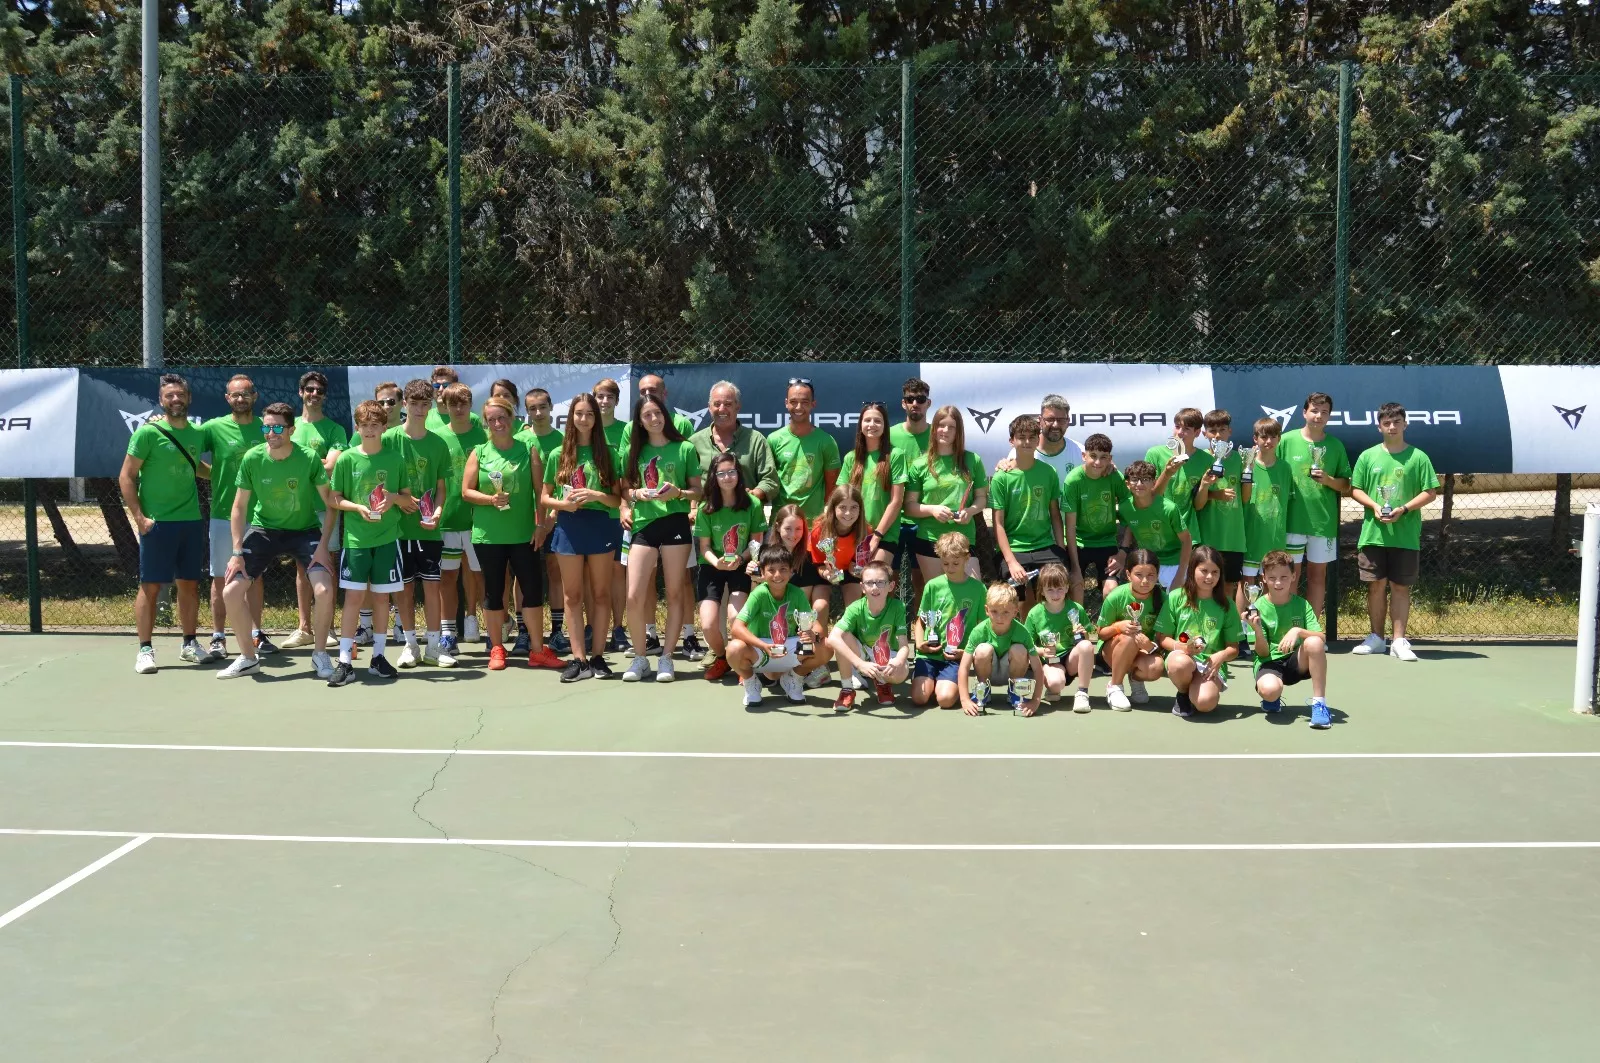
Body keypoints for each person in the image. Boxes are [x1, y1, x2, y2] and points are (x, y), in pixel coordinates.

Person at [216, 403, 338, 679]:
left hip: (305, 531)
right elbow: (238, 507)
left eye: (277, 427)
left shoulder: (308, 458)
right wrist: (236, 551)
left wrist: (322, 547)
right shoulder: (252, 458)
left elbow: (331, 504)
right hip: (264, 530)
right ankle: (248, 657)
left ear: (291, 429)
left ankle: (320, 655)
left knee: (324, 590)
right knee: (231, 592)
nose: (271, 432)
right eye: (266, 427)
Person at [461, 397, 564, 672]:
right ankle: (497, 649)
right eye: (492, 419)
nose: (498, 423)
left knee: (531, 591)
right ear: (486, 423)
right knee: (494, 593)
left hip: (524, 535)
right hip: (488, 536)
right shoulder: (479, 452)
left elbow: (541, 493)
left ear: (513, 418)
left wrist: (540, 526)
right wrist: (489, 500)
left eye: (502, 417)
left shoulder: (528, 449)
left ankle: (538, 651)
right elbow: (466, 491)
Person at [120, 373, 212, 674]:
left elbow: (195, 465)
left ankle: (189, 644)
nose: (176, 400)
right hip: (157, 524)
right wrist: (139, 517)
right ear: (161, 400)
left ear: (189, 398)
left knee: (189, 585)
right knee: (150, 587)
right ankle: (145, 650)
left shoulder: (197, 434)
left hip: (190, 521)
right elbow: (127, 476)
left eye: (180, 395)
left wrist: (227, 475)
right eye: (170, 396)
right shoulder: (147, 433)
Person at [327, 399, 413, 686]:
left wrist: (392, 500)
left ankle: (378, 657)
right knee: (353, 598)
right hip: (355, 541)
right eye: (364, 426)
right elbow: (335, 498)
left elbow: (407, 498)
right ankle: (345, 661)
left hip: (388, 540)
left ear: (384, 427)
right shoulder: (347, 458)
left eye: (375, 425)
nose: (369, 430)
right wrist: (358, 508)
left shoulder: (395, 459)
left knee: (381, 598)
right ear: (357, 427)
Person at [542, 392, 625, 682]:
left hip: (601, 525)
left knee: (601, 594)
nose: (584, 419)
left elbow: (618, 501)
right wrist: (565, 505)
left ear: (596, 418)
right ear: (571, 418)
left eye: (589, 414)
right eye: (579, 413)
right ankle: (578, 660)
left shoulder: (610, 454)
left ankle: (599, 657)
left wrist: (595, 495)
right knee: (572, 596)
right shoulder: (558, 454)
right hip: (569, 527)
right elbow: (545, 498)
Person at [619, 395, 702, 683]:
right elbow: (625, 489)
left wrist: (678, 493)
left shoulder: (685, 448)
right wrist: (636, 494)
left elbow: (697, 491)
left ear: (665, 415)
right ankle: (641, 659)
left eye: (657, 413)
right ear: (639, 422)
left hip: (676, 524)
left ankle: (667, 658)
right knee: (634, 594)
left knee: (676, 591)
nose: (654, 419)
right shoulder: (633, 451)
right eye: (647, 416)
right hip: (643, 525)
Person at [1350, 402, 1439, 663]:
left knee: (1400, 587)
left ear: (1405, 424)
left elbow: (1430, 492)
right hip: (1373, 534)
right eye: (1386, 423)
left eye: (1396, 422)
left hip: (1406, 535)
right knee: (1376, 586)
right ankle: (1377, 638)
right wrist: (1376, 506)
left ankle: (1399, 641)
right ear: (1379, 426)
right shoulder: (1368, 457)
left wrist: (1404, 508)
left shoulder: (1419, 457)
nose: (1392, 426)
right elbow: (1356, 489)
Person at [199, 375, 265, 661]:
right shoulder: (213, 428)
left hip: (261, 516)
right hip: (223, 515)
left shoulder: (267, 427)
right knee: (220, 578)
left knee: (255, 577)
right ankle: (218, 637)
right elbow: (187, 451)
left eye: (245, 394)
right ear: (227, 398)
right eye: (235, 395)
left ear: (255, 396)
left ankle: (256, 634)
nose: (240, 399)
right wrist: (213, 474)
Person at [387, 380, 452, 667]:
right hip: (396, 529)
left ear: (432, 405)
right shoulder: (388, 439)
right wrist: (399, 500)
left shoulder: (438, 443)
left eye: (425, 404)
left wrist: (437, 512)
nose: (419, 409)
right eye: (414, 403)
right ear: (404, 405)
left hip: (429, 529)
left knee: (432, 586)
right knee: (404, 588)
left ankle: (434, 646)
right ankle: (410, 645)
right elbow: (379, 482)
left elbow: (441, 488)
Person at [727, 544, 832, 708]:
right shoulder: (759, 594)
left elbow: (816, 625)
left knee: (826, 646)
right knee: (733, 648)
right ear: (762, 572)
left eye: (783, 569)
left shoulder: (797, 593)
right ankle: (751, 682)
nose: (777, 575)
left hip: (789, 649)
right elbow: (737, 628)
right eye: (771, 570)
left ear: (791, 572)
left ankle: (793, 679)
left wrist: (813, 635)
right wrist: (764, 645)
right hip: (761, 650)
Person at [285, 370, 347, 649]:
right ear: (301, 392)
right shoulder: (290, 427)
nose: (314, 394)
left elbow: (331, 465)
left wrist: (300, 464)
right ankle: (304, 628)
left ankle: (329, 628)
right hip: (296, 509)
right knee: (301, 568)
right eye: (309, 389)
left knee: (326, 566)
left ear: (324, 395)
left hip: (324, 509)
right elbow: (281, 461)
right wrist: (314, 464)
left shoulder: (335, 429)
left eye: (319, 390)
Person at [695, 451, 767, 683]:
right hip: (712, 566)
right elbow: (704, 547)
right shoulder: (706, 507)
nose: (727, 477)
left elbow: (757, 542)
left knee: (736, 618)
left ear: (739, 474)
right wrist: (716, 562)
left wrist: (742, 558)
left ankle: (740, 661)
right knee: (707, 625)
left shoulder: (753, 503)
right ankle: (722, 658)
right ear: (714, 477)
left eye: (732, 472)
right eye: (722, 473)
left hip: (740, 566)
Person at [1280, 392, 1351, 623]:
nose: (1319, 416)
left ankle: (1311, 627)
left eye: (1324, 412)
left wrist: (1329, 480)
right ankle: (1288, 626)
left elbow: (1346, 485)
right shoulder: (1286, 440)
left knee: (1317, 577)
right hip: (1291, 521)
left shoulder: (1336, 445)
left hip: (1322, 523)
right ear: (1304, 412)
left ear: (1329, 416)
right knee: (1290, 576)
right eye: (1314, 410)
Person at [1154, 545, 1244, 716]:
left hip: (1211, 665)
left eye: (1215, 572)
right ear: (1192, 569)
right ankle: (1183, 693)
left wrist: (1220, 656)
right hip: (1183, 658)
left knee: (1205, 703)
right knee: (1180, 664)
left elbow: (1233, 648)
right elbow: (1163, 638)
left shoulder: (1227, 605)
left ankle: (1196, 691)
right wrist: (1185, 649)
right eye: (1204, 571)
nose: (1209, 577)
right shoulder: (1175, 597)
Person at [989, 414, 1066, 608]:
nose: (1027, 442)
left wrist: (1061, 549)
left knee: (1058, 586)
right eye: (1021, 437)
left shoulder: (1049, 472)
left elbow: (1055, 516)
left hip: (1045, 546)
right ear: (1011, 441)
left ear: (1038, 438)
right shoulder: (1001, 478)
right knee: (1017, 599)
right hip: (1015, 548)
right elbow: (998, 524)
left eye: (1032, 437)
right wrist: (1011, 561)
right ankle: (1023, 637)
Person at [904, 405, 988, 584]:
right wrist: (932, 510)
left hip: (965, 538)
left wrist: (970, 511)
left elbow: (982, 498)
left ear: (959, 431)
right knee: (939, 599)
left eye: (952, 427)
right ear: (934, 428)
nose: (946, 430)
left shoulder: (973, 460)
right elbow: (909, 506)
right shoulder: (920, 464)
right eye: (942, 425)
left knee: (971, 596)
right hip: (930, 538)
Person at [1248, 550, 1331, 728]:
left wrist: (1298, 631)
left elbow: (1322, 637)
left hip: (1296, 661)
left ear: (1294, 576)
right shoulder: (1257, 607)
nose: (1278, 582)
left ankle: (1319, 704)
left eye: (1284, 577)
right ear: (1263, 578)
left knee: (1314, 642)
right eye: (1272, 577)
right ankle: (1272, 699)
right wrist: (1257, 630)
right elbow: (1261, 653)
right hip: (1269, 662)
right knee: (1269, 690)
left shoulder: (1302, 604)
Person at [435, 382, 488, 656]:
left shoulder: (483, 436)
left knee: (480, 574)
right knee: (447, 576)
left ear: (470, 405)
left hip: (479, 520)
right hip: (447, 519)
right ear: (443, 406)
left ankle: (477, 621)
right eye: (452, 403)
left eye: (463, 403)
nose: (458, 408)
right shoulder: (436, 437)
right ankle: (448, 633)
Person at [910, 532, 987, 710]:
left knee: (945, 700)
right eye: (945, 563)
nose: (950, 568)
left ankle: (947, 683)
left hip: (956, 657)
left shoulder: (978, 589)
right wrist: (920, 643)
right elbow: (921, 621)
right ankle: (931, 680)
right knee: (919, 698)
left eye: (955, 563)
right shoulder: (932, 586)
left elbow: (983, 627)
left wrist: (967, 653)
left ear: (967, 558)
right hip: (929, 655)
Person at [519, 387, 570, 655]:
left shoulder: (564, 442)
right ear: (526, 412)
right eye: (532, 409)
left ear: (551, 407)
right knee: (522, 576)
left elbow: (565, 488)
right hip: (522, 521)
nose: (538, 413)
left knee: (555, 572)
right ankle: (523, 633)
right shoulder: (518, 441)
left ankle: (558, 632)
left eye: (542, 407)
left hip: (555, 521)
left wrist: (551, 517)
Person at [826, 559, 912, 711]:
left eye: (880, 582)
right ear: (862, 587)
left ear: (891, 586)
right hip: (861, 654)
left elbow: (904, 645)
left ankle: (882, 682)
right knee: (841, 637)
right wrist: (859, 664)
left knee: (901, 673)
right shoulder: (855, 608)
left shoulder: (898, 607)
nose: (874, 587)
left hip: (886, 655)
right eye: (869, 583)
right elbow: (833, 637)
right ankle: (847, 689)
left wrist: (898, 660)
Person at [837, 401, 907, 572]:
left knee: (874, 578)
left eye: (877, 421)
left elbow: (896, 501)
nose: (872, 425)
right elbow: (840, 498)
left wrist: (877, 536)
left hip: (883, 535)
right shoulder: (850, 458)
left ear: (885, 426)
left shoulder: (896, 455)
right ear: (860, 424)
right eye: (867, 420)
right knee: (857, 588)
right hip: (854, 534)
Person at [957, 582, 1045, 717]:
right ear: (987, 610)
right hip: (987, 672)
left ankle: (1015, 693)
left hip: (1011, 673)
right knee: (983, 650)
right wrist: (965, 700)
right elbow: (964, 667)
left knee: (1020, 649)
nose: (999, 617)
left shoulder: (1022, 632)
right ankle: (983, 692)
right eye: (994, 611)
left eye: (1006, 612)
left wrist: (1035, 701)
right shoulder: (978, 631)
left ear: (1015, 612)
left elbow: (1038, 668)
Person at [1061, 433, 1130, 603]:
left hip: (1106, 542)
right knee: (1076, 586)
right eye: (1093, 456)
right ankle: (1079, 628)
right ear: (1084, 456)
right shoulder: (1073, 481)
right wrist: (1075, 568)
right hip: (1079, 542)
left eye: (1103, 457)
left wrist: (1122, 553)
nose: (1098, 462)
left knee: (1111, 592)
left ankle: (1107, 628)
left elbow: (1131, 516)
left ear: (1109, 458)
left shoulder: (1115, 477)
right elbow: (1069, 527)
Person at [1095, 548, 1167, 711]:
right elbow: (1099, 633)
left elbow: (1165, 635)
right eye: (1138, 575)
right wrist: (1118, 627)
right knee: (1128, 637)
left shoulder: (1163, 599)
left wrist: (1151, 647)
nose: (1145, 581)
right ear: (1128, 575)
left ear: (1157, 575)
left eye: (1150, 575)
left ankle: (1135, 680)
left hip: (1143, 651)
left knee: (1156, 667)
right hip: (1112, 651)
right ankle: (1115, 686)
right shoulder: (1116, 596)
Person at [689, 380, 780, 505]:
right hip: (707, 518)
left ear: (737, 407)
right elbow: (687, 483)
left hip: (746, 516)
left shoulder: (755, 440)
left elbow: (770, 481)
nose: (722, 409)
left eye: (728, 404)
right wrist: (693, 508)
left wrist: (754, 494)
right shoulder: (694, 443)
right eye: (717, 404)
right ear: (709, 408)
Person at [1024, 563, 1097, 713]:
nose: (1055, 595)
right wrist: (1042, 651)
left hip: (1072, 660)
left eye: (1059, 589)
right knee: (1056, 683)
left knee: (1086, 646)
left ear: (1067, 588)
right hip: (1051, 661)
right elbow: (1027, 645)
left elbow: (1095, 639)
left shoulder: (1076, 609)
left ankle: (1082, 693)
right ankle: (1052, 687)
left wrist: (1086, 635)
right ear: (1042, 591)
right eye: (1050, 590)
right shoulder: (1034, 613)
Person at [1192, 409, 1248, 603]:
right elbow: (1197, 505)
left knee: (1229, 586)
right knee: (1203, 585)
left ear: (1230, 432)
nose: (1217, 435)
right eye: (1212, 430)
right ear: (1204, 433)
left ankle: (1229, 630)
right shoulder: (1199, 460)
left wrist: (1249, 474)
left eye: (1222, 430)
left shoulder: (1241, 460)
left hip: (1233, 536)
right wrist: (1214, 493)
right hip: (1207, 536)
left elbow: (1246, 498)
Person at [768, 377, 841, 522]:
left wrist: (824, 519)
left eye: (805, 402)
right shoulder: (773, 439)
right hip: (780, 523)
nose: (799, 407)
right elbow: (768, 482)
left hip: (814, 524)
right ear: (786, 403)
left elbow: (832, 487)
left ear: (813, 404)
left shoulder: (826, 441)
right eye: (793, 402)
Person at [594, 377, 632, 654]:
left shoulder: (628, 431)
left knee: (619, 572)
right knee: (591, 576)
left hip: (619, 515)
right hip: (591, 515)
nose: (604, 401)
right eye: (599, 396)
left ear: (617, 401)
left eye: (609, 396)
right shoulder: (586, 429)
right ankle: (594, 627)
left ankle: (618, 628)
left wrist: (622, 505)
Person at [1241, 416, 1293, 611]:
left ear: (1279, 439)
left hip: (1274, 537)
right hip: (1249, 535)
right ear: (1255, 439)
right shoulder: (1246, 465)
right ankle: (1242, 630)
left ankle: (1264, 627)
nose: (1268, 441)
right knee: (1246, 582)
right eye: (1263, 437)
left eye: (1273, 437)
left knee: (1269, 583)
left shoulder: (1285, 468)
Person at [890, 378, 933, 600]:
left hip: (924, 520)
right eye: (910, 399)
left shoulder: (939, 435)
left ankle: (922, 633)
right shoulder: (889, 435)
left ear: (928, 403)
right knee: (888, 580)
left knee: (923, 584)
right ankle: (890, 632)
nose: (915, 403)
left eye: (920, 399)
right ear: (903, 404)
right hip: (892, 519)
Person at [1119, 460, 1192, 590]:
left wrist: (1180, 575)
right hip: (1147, 564)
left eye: (1145, 479)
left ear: (1154, 482)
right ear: (1127, 484)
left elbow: (1186, 540)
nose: (1140, 484)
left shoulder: (1169, 508)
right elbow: (1130, 526)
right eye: (1135, 479)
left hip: (1174, 563)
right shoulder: (1125, 508)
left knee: (1175, 604)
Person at [995, 393, 1084, 480]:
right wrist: (1003, 466)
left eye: (1061, 420)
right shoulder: (1020, 451)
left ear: (1068, 421)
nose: (1055, 425)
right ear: (1040, 420)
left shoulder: (1080, 452)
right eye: (1050, 419)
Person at [1145, 407, 1209, 524]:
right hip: (1159, 527)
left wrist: (1204, 485)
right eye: (1177, 426)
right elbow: (1150, 496)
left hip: (1189, 532)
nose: (1179, 432)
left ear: (1197, 432)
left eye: (1186, 429)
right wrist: (1167, 473)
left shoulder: (1207, 460)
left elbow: (1199, 506)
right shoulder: (1155, 453)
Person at [426, 366, 483, 432]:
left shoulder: (472, 419)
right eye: (436, 386)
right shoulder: (424, 416)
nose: (441, 389)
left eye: (446, 385)